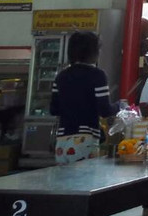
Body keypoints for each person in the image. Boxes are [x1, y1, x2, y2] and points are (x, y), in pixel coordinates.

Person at [50, 31, 118, 165]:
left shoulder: (61, 76)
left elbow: (54, 109)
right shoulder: (97, 75)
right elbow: (105, 110)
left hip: (61, 142)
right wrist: (119, 106)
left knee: (65, 184)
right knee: (85, 184)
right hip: (84, 141)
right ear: (93, 52)